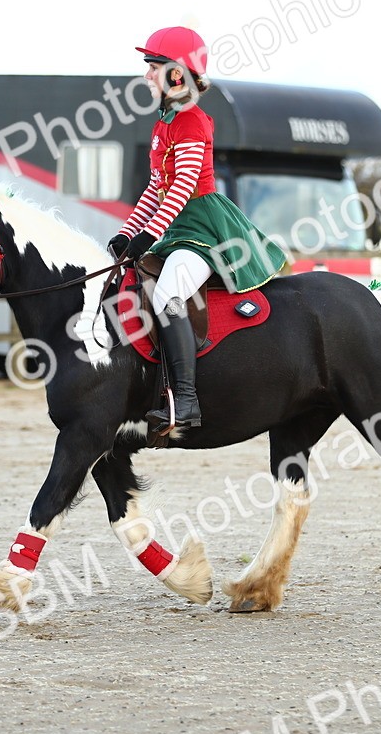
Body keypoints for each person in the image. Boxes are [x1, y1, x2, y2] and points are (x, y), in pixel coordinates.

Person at [108, 26, 288, 432]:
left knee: (170, 291)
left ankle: (186, 400)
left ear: (176, 74)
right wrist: (127, 232)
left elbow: (184, 187)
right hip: (173, 228)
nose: (146, 76)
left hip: (204, 229)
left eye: (152, 67)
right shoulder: (164, 125)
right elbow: (156, 188)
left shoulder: (191, 122)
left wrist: (147, 236)